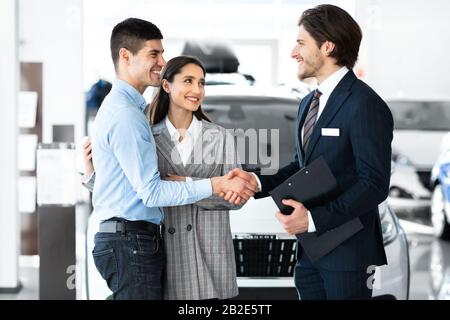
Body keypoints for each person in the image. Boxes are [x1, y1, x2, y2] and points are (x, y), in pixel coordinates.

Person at [228, 4, 393, 299]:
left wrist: (314, 219)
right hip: (311, 253)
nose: (294, 52)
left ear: (327, 46)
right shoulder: (308, 103)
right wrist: (258, 182)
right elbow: (301, 166)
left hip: (348, 257)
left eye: (301, 43)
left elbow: (374, 184)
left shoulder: (364, 104)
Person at [90, 18, 257, 300]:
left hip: (197, 256)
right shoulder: (133, 119)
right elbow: (149, 191)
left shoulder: (135, 114)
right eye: (154, 54)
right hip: (145, 245)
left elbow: (126, 184)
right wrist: (212, 184)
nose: (161, 60)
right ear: (125, 56)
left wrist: (95, 174)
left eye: (201, 83)